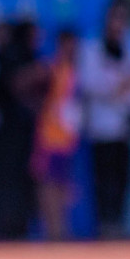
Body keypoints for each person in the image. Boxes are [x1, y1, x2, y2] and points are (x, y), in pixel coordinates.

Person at [78, 0, 130, 238]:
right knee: (102, 177)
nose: (118, 24)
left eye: (123, 18)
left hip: (127, 123)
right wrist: (119, 86)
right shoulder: (92, 48)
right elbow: (90, 84)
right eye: (114, 18)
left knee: (125, 177)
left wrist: (125, 91)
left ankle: (123, 225)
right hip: (100, 124)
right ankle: (105, 224)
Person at [0, 18, 40, 240]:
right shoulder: (0, 58)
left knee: (15, 183)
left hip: (15, 134)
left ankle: (14, 226)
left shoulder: (16, 56)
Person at [32, 27, 82, 242]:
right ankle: (52, 230)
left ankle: (60, 229)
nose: (70, 49)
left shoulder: (76, 70)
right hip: (50, 137)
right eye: (66, 44)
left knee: (63, 185)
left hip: (68, 139)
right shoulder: (52, 69)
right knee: (48, 184)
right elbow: (24, 81)